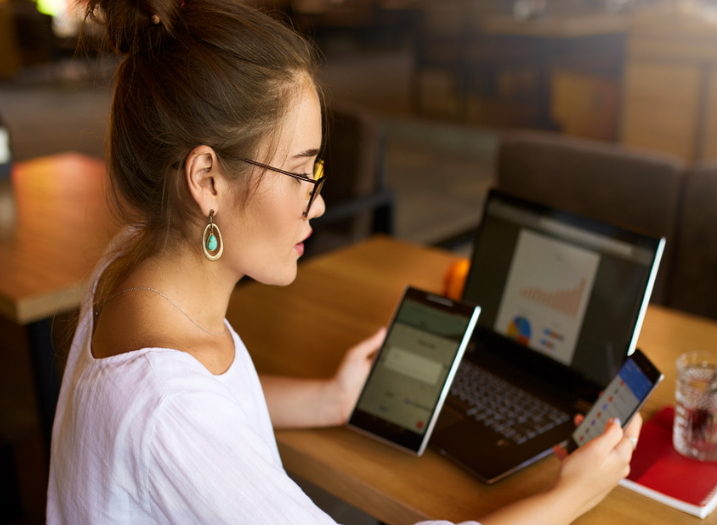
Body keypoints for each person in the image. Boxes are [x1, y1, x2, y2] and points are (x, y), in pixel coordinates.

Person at [47, 0, 642, 523]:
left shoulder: (134, 260)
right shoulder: (169, 410)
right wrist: (571, 495)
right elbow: (182, 418)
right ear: (206, 179)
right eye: (299, 173)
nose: (319, 202)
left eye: (317, 171)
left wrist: (331, 399)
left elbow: (211, 407)